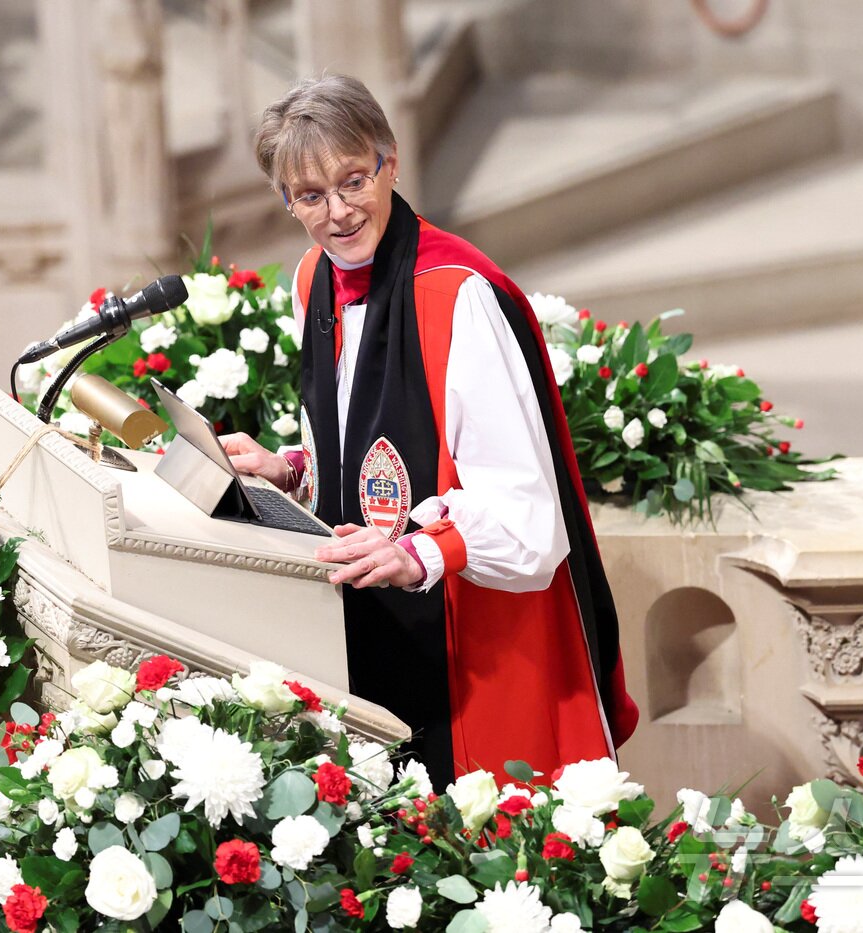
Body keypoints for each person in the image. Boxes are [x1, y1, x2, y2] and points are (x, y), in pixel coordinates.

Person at [222, 75, 638, 788]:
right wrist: (291, 467)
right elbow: (368, 442)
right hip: (362, 619)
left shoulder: (458, 298)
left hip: (466, 640)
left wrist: (419, 553)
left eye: (354, 180)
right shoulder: (312, 277)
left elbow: (530, 517)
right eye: (312, 195)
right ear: (287, 202)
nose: (340, 212)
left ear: (391, 162)